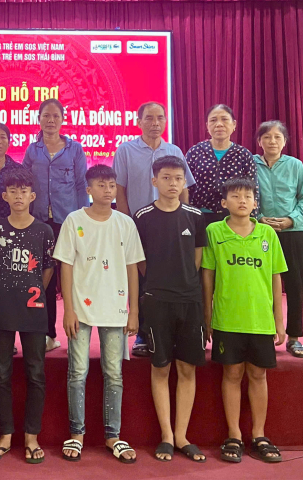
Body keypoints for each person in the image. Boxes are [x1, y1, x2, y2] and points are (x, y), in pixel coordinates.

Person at [53, 164, 143, 464]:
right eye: (101, 185)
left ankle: (112, 435)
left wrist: (133, 311)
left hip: (115, 309)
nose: (108, 189)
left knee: (113, 374)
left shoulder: (125, 223)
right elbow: (65, 265)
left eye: (111, 184)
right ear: (88, 189)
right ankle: (76, 434)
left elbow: (132, 268)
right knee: (77, 373)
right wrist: (68, 309)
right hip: (81, 308)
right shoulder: (74, 220)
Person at [202, 178, 287, 464]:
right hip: (227, 319)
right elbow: (208, 276)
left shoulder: (267, 234)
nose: (242, 200)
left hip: (260, 320)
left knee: (258, 375)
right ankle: (234, 435)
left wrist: (279, 320)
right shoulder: (214, 232)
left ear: (255, 203)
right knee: (232, 374)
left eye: (248, 196)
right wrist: (207, 315)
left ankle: (259, 435)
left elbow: (276, 277)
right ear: (223, 202)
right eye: (235, 196)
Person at [132, 157, 207, 463]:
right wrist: (158, 282)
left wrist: (183, 283)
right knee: (160, 367)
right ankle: (166, 435)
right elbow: (140, 261)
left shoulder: (195, 216)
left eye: (178, 178)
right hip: (156, 300)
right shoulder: (142, 217)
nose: (173, 183)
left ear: (184, 182)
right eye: (166, 178)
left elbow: (197, 260)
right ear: (155, 181)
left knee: (187, 369)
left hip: (189, 301)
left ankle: (182, 436)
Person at [114, 102, 197, 356]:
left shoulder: (174, 151)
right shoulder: (125, 151)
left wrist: (185, 218)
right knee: (141, 278)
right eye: (149, 118)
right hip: (139, 225)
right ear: (138, 122)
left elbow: (184, 188)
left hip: (172, 225)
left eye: (160, 118)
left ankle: (172, 330)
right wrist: (127, 224)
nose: (155, 123)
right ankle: (142, 333)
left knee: (169, 276)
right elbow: (120, 190)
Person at [0, 168, 54, 465]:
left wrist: (32, 292)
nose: (18, 196)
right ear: (5, 196)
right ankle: (4, 434)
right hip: (1, 310)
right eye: (13, 191)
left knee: (35, 373)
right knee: (1, 374)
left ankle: (31, 436)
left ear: (32, 196)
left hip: (34, 312)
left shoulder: (44, 231)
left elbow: (47, 270)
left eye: (24, 191)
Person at [23, 99, 88, 352]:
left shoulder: (75, 149)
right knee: (45, 278)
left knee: (75, 276)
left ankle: (79, 335)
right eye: (46, 116)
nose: (50, 121)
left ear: (62, 119)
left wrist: (84, 220)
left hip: (68, 221)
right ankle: (48, 334)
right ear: (39, 119)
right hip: (40, 222)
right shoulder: (32, 150)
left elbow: (81, 185)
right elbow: (25, 184)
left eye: (55, 116)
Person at [254, 121, 303, 358]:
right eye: (267, 137)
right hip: (261, 233)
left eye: (277, 137)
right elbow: (245, 195)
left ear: (285, 141)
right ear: (259, 141)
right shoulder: (251, 164)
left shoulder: (295, 165)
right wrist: (258, 219)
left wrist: (291, 220)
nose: (272, 141)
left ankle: (294, 337)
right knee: (263, 285)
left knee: (295, 284)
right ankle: (267, 333)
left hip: (293, 232)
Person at [185, 104, 258, 225]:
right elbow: (185, 186)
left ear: (234, 124)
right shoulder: (195, 152)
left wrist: (251, 220)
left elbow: (253, 189)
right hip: (198, 216)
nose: (219, 124)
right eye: (213, 120)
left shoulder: (243, 154)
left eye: (224, 119)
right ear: (207, 126)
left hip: (233, 217)